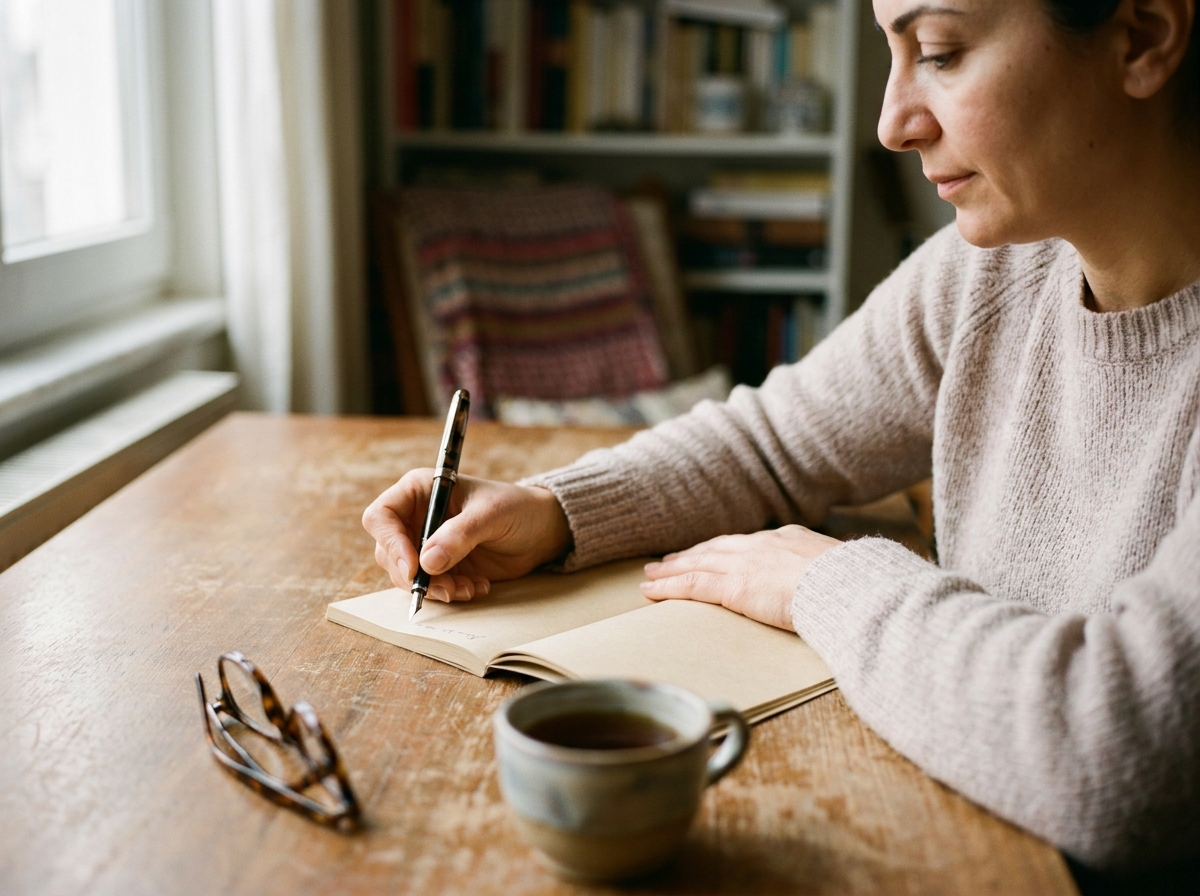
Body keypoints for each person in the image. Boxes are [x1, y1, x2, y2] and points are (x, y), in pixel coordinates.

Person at [363, 0, 1200, 872]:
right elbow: (774, 441)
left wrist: (825, 582)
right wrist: (551, 510)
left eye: (941, 52)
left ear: (1141, 36)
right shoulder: (992, 273)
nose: (892, 123)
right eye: (893, 52)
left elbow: (1119, 760)